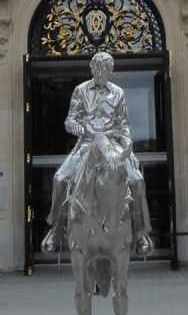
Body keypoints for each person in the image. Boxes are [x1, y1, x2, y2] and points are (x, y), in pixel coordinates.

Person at [39, 50, 154, 256]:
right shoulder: (80, 90)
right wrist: (76, 128)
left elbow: (125, 125)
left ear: (111, 70)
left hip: (112, 144)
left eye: (105, 69)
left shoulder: (118, 92)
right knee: (59, 178)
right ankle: (55, 228)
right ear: (92, 69)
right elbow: (70, 119)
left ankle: (141, 232)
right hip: (87, 144)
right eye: (97, 68)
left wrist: (127, 144)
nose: (101, 72)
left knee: (137, 181)